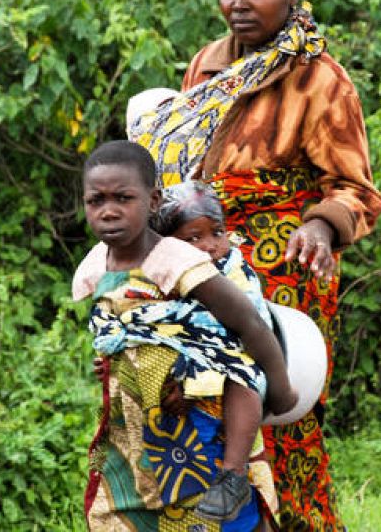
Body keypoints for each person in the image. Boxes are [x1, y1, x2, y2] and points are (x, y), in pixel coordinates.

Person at [127, 0, 381, 530]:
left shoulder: (320, 79)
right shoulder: (205, 67)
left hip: (284, 268)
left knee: (279, 413)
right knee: (197, 407)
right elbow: (183, 172)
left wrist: (321, 225)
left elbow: (354, 188)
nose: (239, 3)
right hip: (200, 264)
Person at [77, 139, 297, 529]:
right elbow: (119, 332)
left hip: (199, 416)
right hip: (135, 424)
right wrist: (112, 364)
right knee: (132, 508)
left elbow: (246, 322)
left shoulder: (176, 261)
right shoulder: (95, 265)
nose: (109, 211)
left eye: (124, 198)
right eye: (97, 200)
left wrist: (279, 387)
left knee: (209, 510)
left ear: (153, 200)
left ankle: (232, 480)